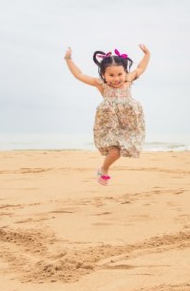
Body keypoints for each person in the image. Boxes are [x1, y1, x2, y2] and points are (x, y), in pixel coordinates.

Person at [64, 44, 151, 185]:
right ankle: (104, 169)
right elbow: (79, 75)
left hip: (128, 122)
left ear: (125, 72)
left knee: (126, 147)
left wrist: (147, 54)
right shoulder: (102, 85)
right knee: (115, 151)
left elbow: (140, 68)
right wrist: (69, 59)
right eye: (111, 75)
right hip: (110, 122)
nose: (116, 78)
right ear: (103, 75)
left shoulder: (128, 80)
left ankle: (104, 168)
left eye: (119, 74)